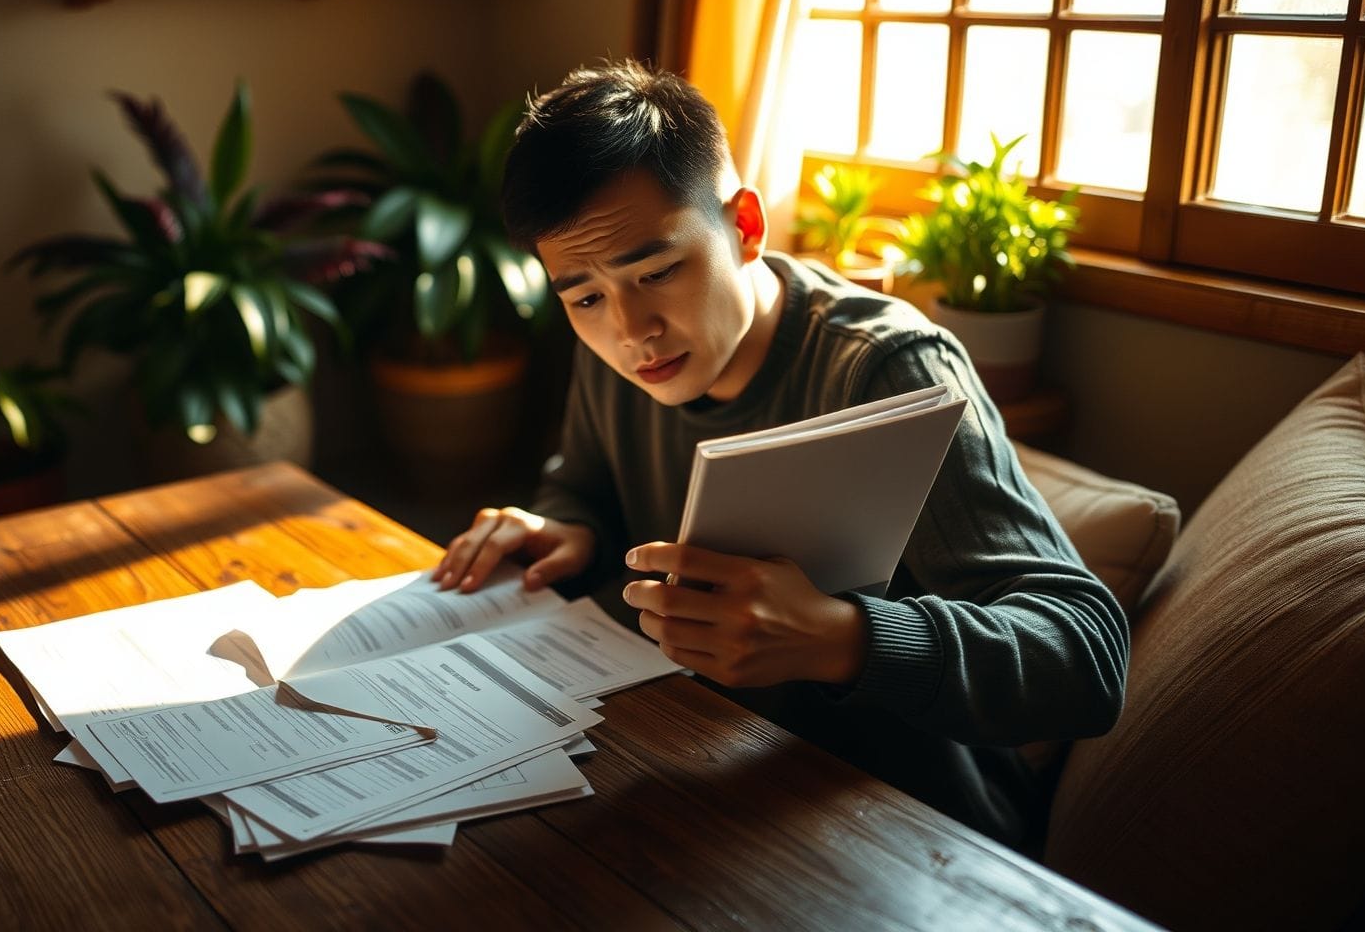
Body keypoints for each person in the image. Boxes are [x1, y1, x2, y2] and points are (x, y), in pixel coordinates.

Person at [430, 60, 1126, 852]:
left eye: (656, 272)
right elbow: (583, 483)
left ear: (746, 227)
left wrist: (842, 638)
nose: (631, 330)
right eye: (583, 297)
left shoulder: (887, 370)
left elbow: (1086, 656)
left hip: (904, 831)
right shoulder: (621, 347)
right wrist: (567, 528)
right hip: (698, 779)